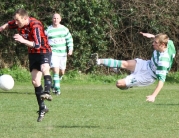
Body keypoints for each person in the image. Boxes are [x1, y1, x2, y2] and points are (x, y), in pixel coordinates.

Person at [89, 32, 176, 102]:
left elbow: (161, 81)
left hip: (148, 76)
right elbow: (163, 39)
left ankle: (129, 84)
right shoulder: (169, 43)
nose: (153, 44)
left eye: (155, 42)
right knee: (125, 63)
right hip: (146, 64)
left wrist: (153, 96)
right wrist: (152, 36)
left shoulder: (163, 61)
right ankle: (97, 61)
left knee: (119, 83)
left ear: (163, 45)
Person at [0, 9, 53, 122]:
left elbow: (38, 45)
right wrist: (3, 27)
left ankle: (47, 92)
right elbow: (9, 24)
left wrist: (23, 40)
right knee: (35, 81)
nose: (16, 23)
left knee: (45, 68)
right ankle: (42, 107)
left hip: (43, 51)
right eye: (15, 20)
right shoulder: (18, 21)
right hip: (33, 54)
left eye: (18, 20)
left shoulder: (36, 25)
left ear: (25, 18)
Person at [45, 13, 73, 95]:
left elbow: (69, 39)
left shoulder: (64, 29)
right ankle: (57, 89)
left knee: (62, 72)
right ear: (52, 19)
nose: (55, 20)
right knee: (55, 70)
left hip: (63, 54)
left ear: (60, 19)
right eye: (54, 18)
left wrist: (70, 49)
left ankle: (54, 84)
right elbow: (44, 41)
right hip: (53, 53)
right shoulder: (48, 30)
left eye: (57, 18)